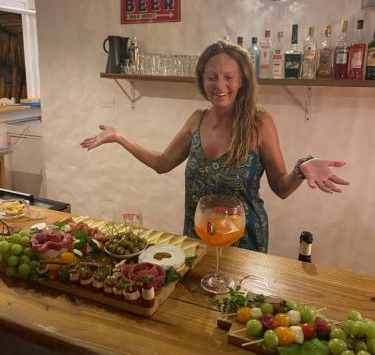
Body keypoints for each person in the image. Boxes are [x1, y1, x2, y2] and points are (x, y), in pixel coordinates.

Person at [80, 41, 349, 252]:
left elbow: (281, 187)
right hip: (196, 238)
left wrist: (302, 167)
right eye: (212, 77)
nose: (219, 85)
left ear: (242, 80)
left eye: (228, 77)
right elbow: (162, 164)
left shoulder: (259, 123)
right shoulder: (196, 121)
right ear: (202, 80)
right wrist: (119, 137)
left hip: (243, 243)